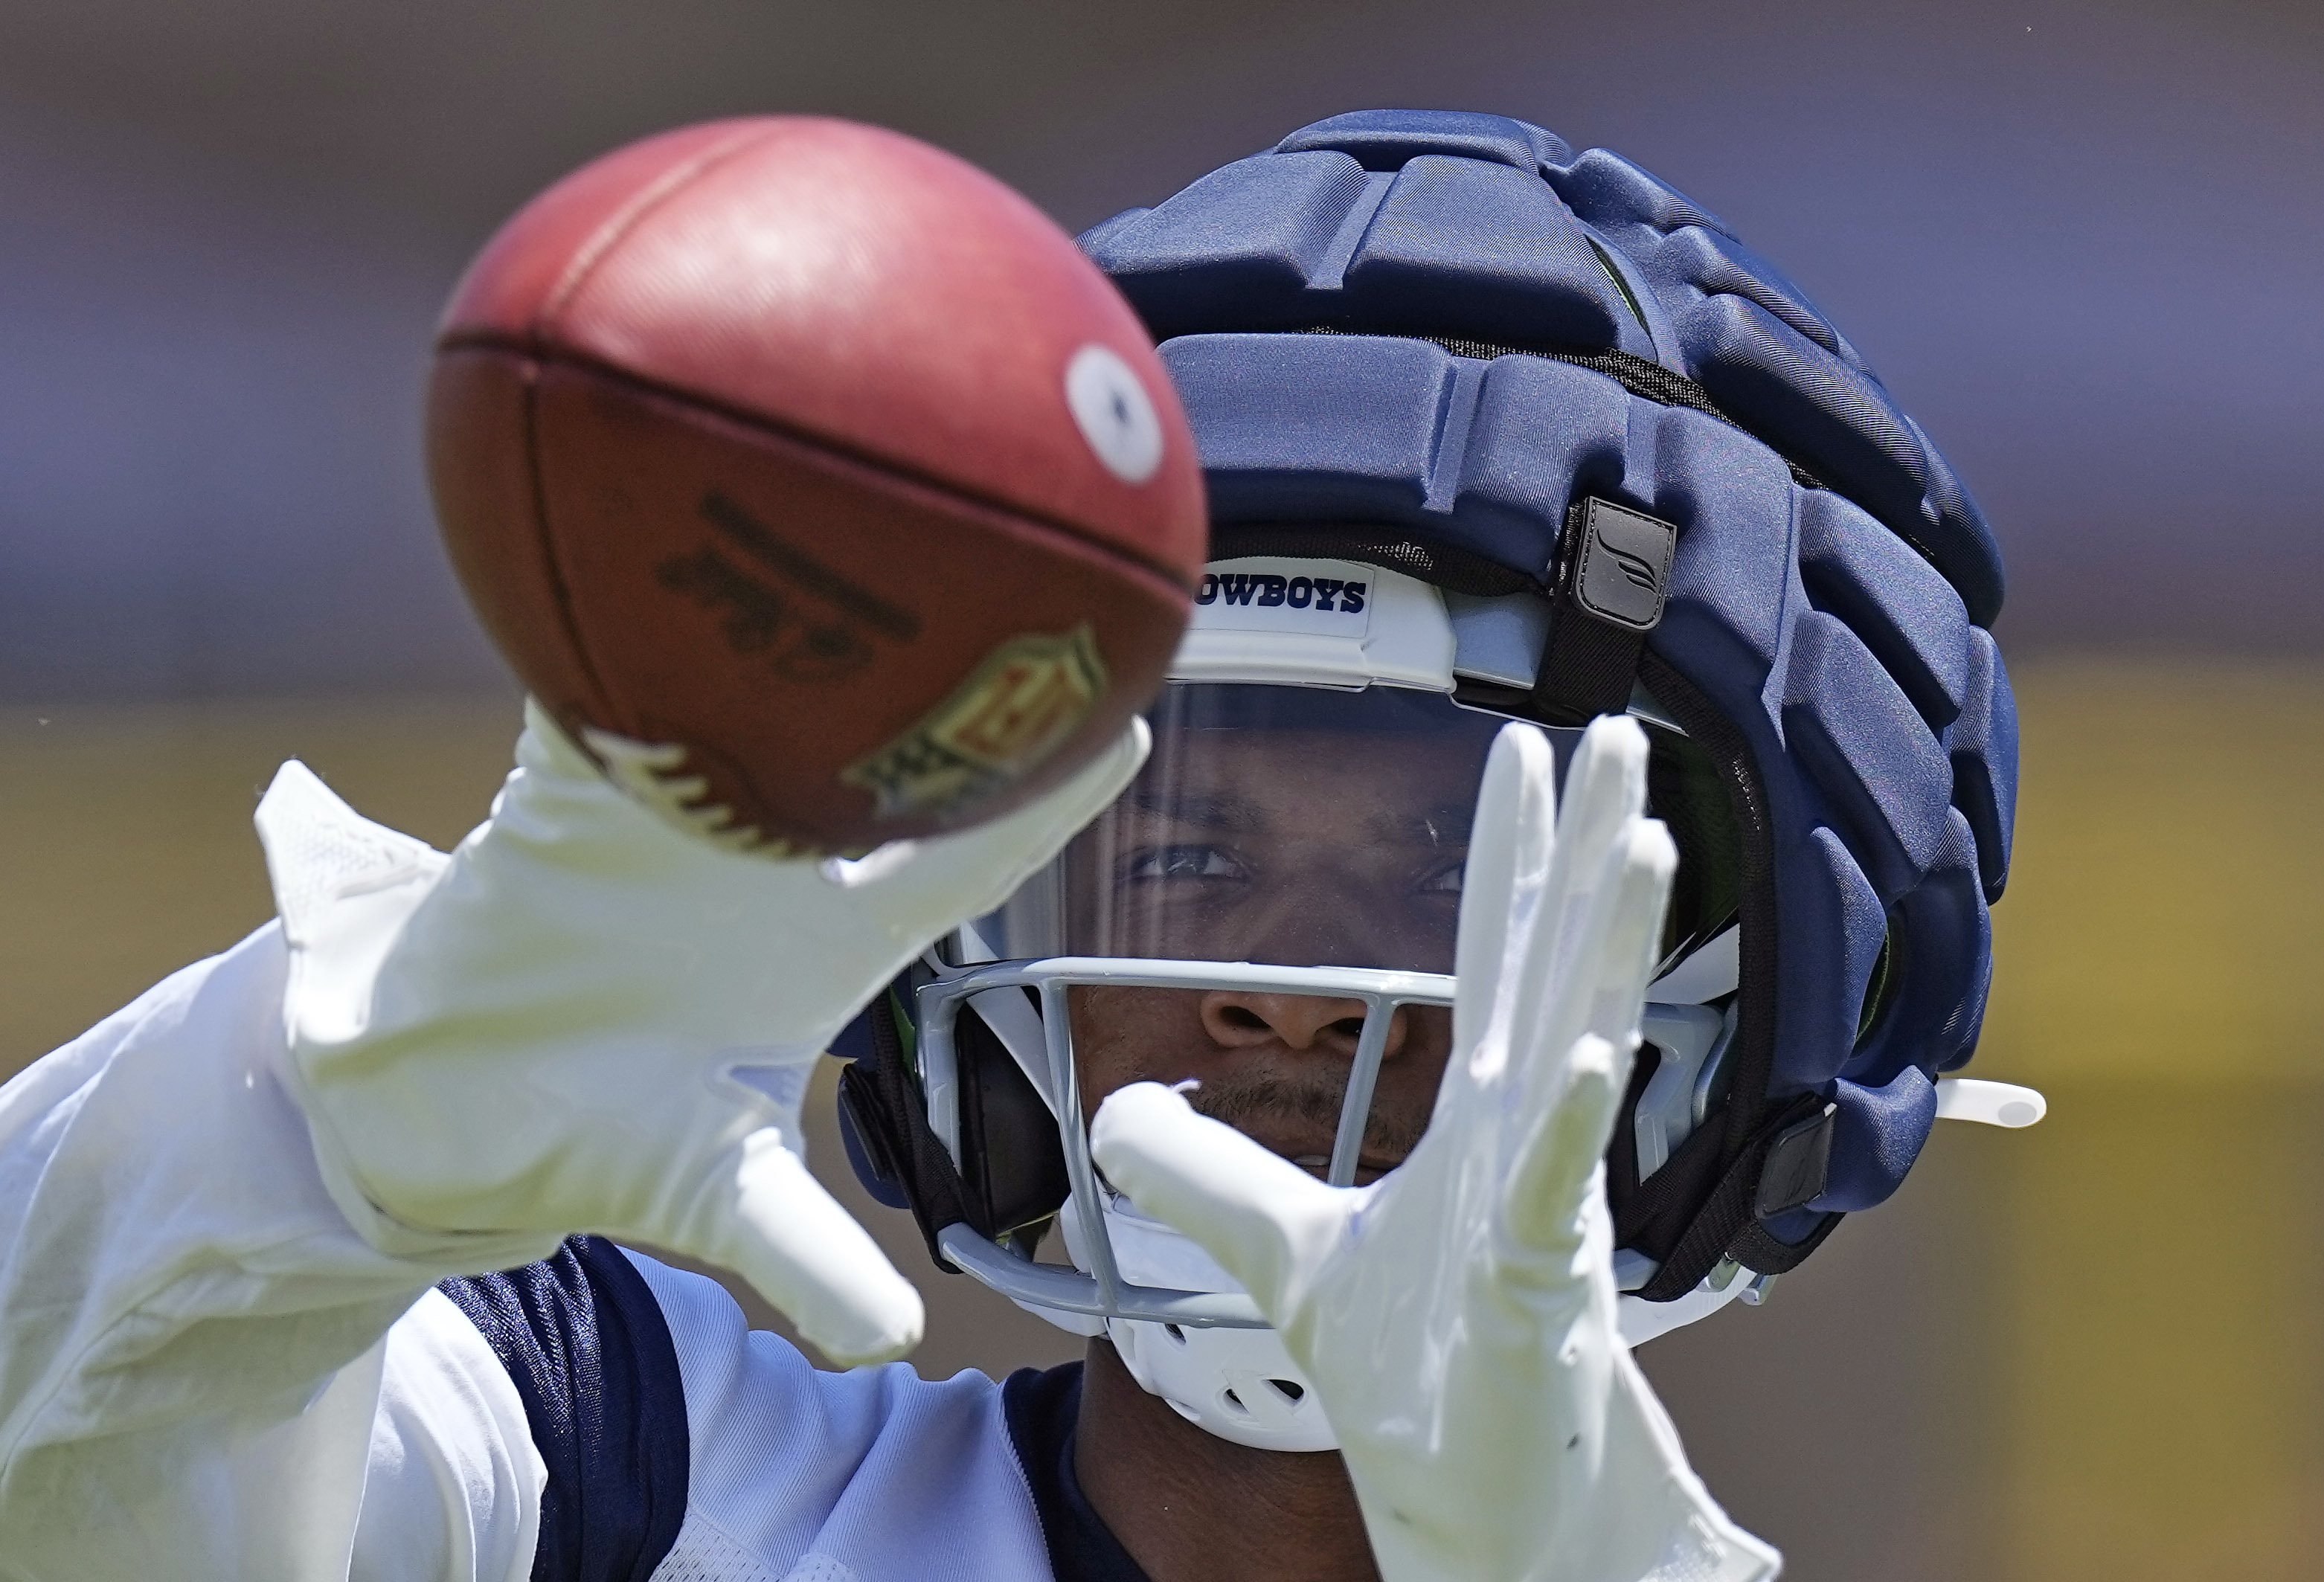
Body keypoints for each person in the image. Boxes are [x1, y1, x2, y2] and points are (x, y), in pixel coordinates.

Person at [0, 110, 2025, 1582]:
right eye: (1186, 846)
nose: (1275, 978)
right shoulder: (622, 1467)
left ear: (1792, 984)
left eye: (1457, 849)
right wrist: (296, 1148)